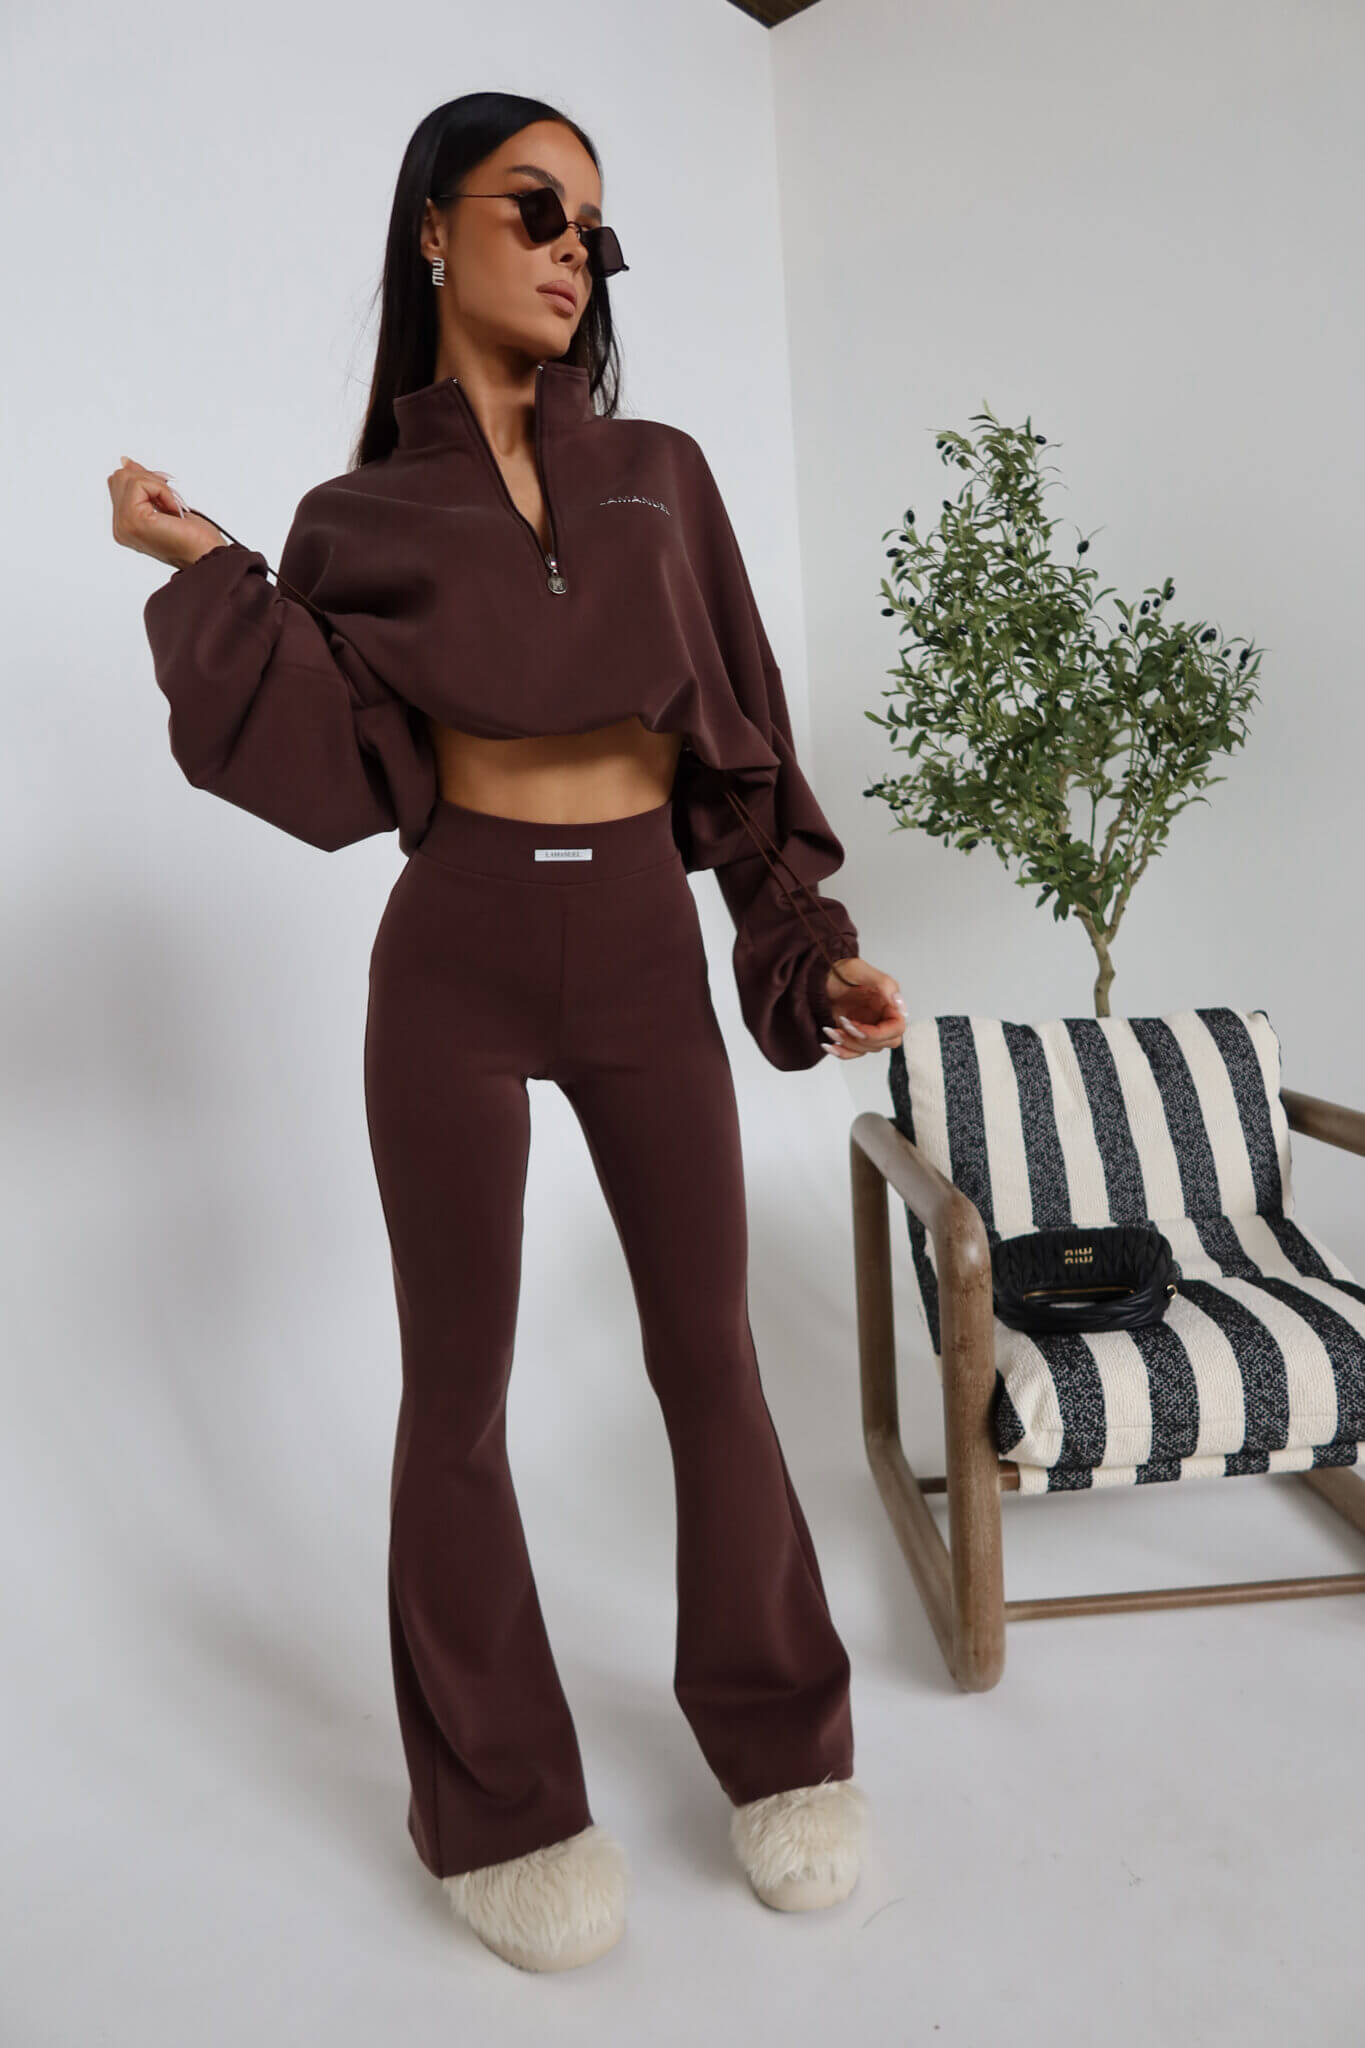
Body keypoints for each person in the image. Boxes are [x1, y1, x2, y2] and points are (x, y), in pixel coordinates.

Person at [109, 92, 906, 1974]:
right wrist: (205, 561)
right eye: (535, 209)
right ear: (431, 227)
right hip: (453, 951)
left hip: (637, 943)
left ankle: (784, 1753)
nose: (572, 251)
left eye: (596, 231)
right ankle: (500, 1806)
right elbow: (337, 763)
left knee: (709, 1355)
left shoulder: (659, 476)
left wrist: (804, 952)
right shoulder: (360, 516)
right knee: (455, 1389)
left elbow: (738, 737)